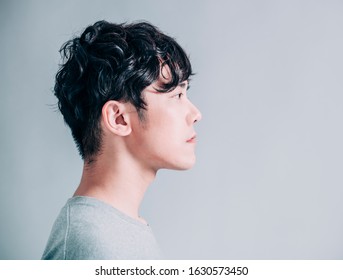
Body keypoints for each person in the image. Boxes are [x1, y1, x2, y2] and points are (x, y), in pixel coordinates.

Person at [42, 20, 201, 260]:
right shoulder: (92, 246)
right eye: (176, 95)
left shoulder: (120, 228)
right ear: (118, 118)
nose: (196, 114)